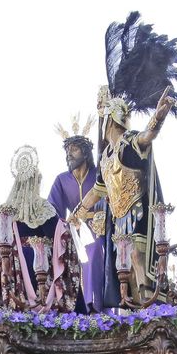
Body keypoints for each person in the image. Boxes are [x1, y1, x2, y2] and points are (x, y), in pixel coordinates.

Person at [70, 90, 176, 308]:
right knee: (123, 265)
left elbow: (147, 137)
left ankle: (148, 303)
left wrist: (158, 118)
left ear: (110, 119)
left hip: (138, 210)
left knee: (137, 255)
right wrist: (78, 213)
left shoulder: (129, 142)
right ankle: (134, 306)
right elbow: (97, 191)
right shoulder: (106, 156)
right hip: (119, 218)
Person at [48, 126, 108, 313]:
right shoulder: (62, 180)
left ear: (86, 152)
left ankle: (95, 305)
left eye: (74, 150)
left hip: (100, 230)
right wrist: (65, 227)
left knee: (95, 249)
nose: (69, 154)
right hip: (72, 232)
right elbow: (52, 211)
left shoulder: (100, 175)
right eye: (67, 151)